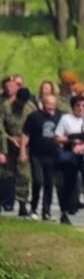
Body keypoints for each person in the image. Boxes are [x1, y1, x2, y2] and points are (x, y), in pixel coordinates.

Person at [54, 95, 84, 226]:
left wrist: (82, 146)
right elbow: (58, 137)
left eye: (83, 106)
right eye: (78, 106)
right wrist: (71, 140)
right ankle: (64, 210)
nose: (81, 108)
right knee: (70, 184)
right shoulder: (66, 119)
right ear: (73, 107)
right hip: (70, 157)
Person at [21, 94, 62, 220]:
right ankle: (34, 208)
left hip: (53, 155)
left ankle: (46, 211)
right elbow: (25, 133)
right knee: (38, 181)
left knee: (49, 183)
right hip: (37, 154)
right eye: (48, 103)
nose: (51, 106)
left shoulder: (60, 116)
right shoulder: (34, 117)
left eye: (53, 103)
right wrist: (22, 150)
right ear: (43, 104)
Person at [0, 88, 35, 217]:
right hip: (8, 144)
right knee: (6, 175)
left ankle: (22, 203)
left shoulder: (30, 108)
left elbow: (35, 126)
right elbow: (1, 128)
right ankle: (4, 201)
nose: (22, 105)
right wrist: (9, 139)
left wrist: (26, 141)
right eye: (20, 102)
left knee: (24, 176)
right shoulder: (5, 107)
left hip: (25, 145)